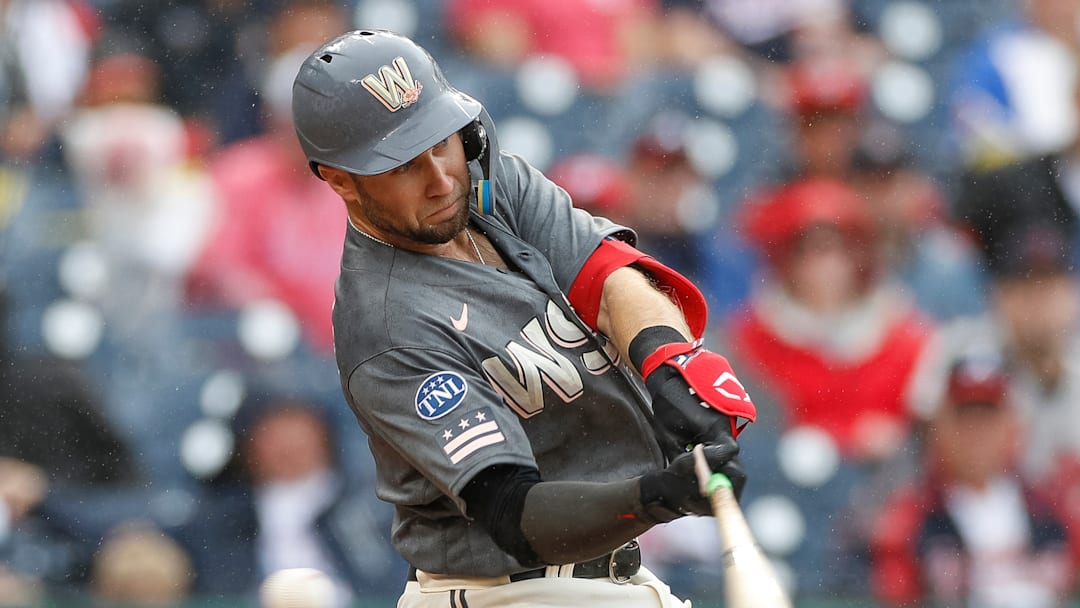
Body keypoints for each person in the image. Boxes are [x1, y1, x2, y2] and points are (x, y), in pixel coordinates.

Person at [290, 29, 757, 607]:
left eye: (441, 141)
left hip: (606, 579)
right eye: (403, 165)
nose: (441, 178)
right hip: (505, 592)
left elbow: (608, 277)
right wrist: (656, 496)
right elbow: (513, 511)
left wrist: (669, 363)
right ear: (340, 179)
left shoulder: (487, 188)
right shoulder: (386, 325)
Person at [870, 353, 1075, 607]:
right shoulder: (911, 519)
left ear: (1012, 426)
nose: (976, 432)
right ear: (940, 427)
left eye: (988, 417)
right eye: (964, 417)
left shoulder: (1052, 509)